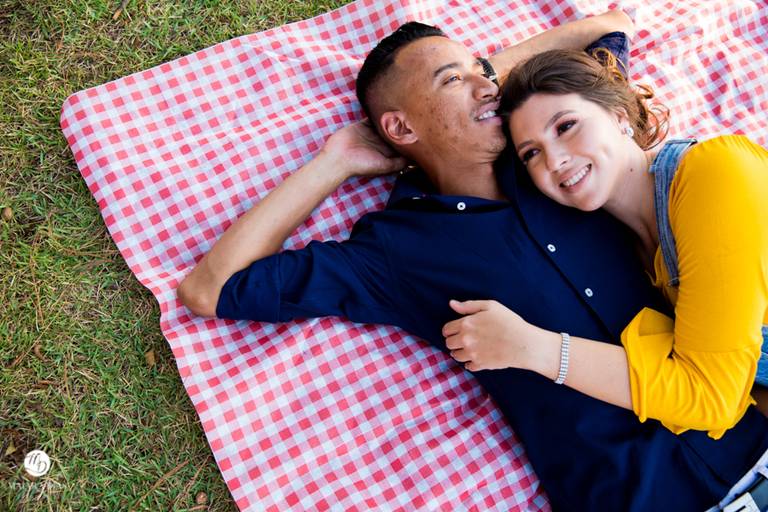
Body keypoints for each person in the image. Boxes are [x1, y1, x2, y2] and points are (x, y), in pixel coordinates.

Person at [177, 15, 768, 511]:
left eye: (486, 71)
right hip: (639, 497)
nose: (487, 84)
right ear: (399, 126)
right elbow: (211, 288)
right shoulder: (394, 251)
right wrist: (334, 162)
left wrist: (485, 85)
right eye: (452, 79)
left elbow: (607, 32)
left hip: (748, 435)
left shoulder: (564, 161)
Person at [444, 47, 768, 508]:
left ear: (619, 114)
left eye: (566, 126)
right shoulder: (629, 248)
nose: (554, 160)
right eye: (531, 152)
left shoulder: (715, 174)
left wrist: (533, 348)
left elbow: (708, 396)